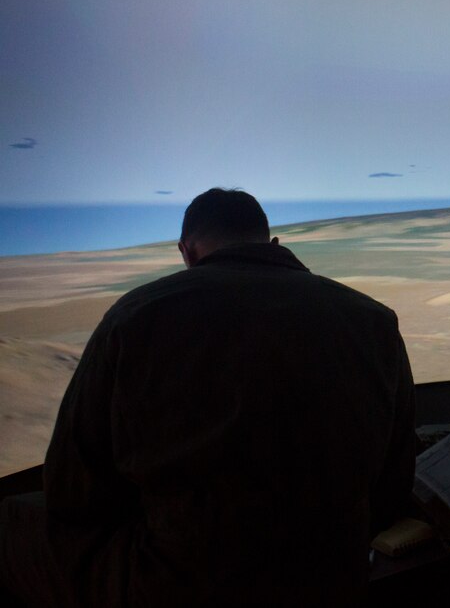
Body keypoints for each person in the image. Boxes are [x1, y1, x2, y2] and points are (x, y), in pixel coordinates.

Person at [0, 188, 416, 606]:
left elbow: (71, 489)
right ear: (273, 243)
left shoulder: (134, 318)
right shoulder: (374, 321)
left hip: (176, 586)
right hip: (330, 580)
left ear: (187, 251)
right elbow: (394, 482)